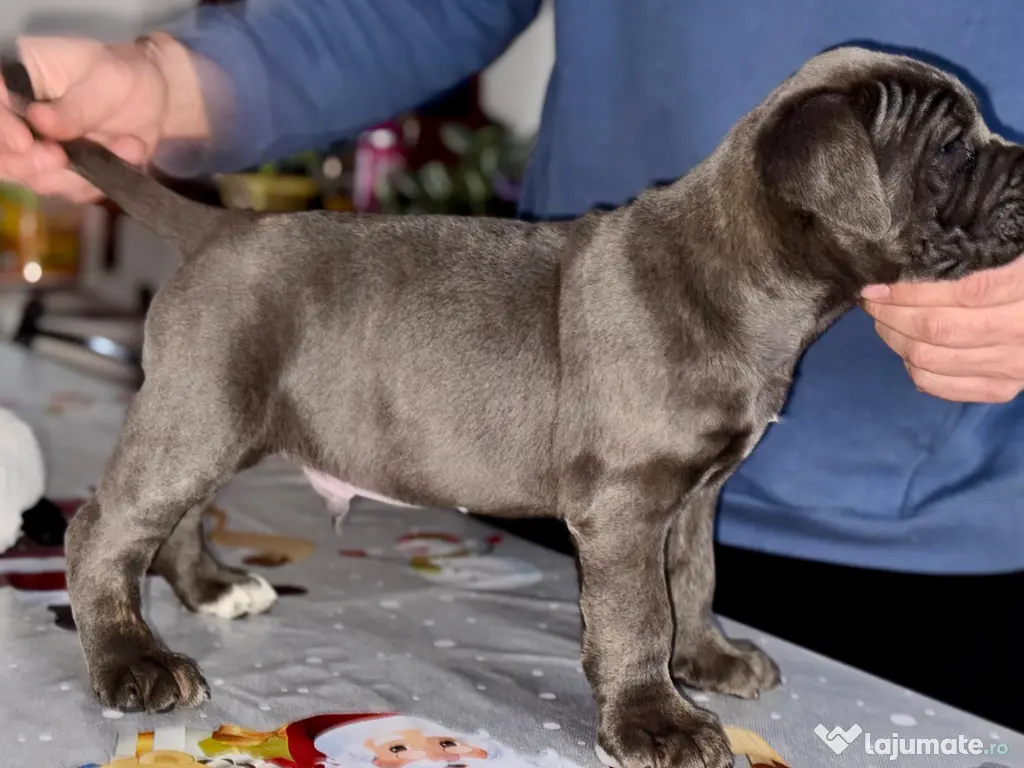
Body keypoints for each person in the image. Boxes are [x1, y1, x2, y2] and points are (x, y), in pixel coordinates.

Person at [2, 0, 1022, 730]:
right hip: (354, 367)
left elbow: (687, 482)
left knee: (681, 472)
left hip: (941, 567)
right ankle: (115, 599)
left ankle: (688, 643)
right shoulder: (667, 310)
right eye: (949, 159)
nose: (996, 165)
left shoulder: (725, 315)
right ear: (828, 184)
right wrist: (173, 80)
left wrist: (692, 636)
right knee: (180, 457)